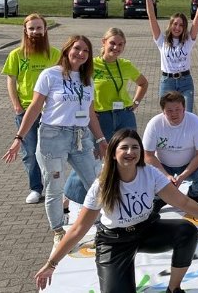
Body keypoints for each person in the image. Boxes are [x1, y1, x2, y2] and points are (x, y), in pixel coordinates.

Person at [33, 129, 198, 293]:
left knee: (187, 232)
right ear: (113, 154)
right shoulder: (102, 185)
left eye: (135, 147)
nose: (130, 152)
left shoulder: (149, 173)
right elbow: (78, 228)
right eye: (124, 148)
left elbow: (183, 202)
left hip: (145, 230)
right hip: (114, 242)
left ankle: (174, 288)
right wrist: (51, 263)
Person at [3, 35, 107, 245]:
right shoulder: (50, 75)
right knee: (54, 186)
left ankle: (101, 224)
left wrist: (101, 139)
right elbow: (34, 108)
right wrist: (19, 138)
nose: (81, 54)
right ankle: (58, 229)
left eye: (86, 51)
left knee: (95, 183)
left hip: (81, 137)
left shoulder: (87, 80)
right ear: (67, 50)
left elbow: (91, 113)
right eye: (77, 49)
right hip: (53, 136)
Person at [63, 27, 150, 205]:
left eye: (120, 45)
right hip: (101, 118)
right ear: (104, 42)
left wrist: (136, 102)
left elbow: (143, 82)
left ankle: (123, 192)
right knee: (92, 157)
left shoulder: (125, 65)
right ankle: (70, 195)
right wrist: (88, 109)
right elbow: (80, 89)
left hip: (124, 115)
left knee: (128, 154)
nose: (116, 48)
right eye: (112, 43)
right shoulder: (91, 65)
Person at [3, 13, 60, 204]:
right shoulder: (16, 55)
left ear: (45, 30)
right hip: (26, 110)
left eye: (39, 28)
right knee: (29, 152)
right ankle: (35, 188)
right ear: (25, 31)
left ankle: (54, 186)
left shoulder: (54, 54)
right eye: (32, 28)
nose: (35, 31)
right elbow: (11, 81)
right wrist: (17, 106)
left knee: (49, 151)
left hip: (50, 111)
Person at [142, 0, 198, 113]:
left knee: (187, 115)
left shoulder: (188, 41)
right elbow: (152, 17)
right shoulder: (161, 40)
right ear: (170, 25)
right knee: (167, 116)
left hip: (186, 82)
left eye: (181, 25)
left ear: (184, 27)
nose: (177, 27)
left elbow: (197, 19)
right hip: (167, 82)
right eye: (175, 24)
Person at [142, 91, 198, 213]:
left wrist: (182, 176)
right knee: (144, 176)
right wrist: (166, 176)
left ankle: (193, 194)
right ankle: (160, 197)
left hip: (188, 164)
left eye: (178, 109)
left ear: (184, 108)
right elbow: (148, 156)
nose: (174, 114)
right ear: (163, 111)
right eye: (169, 110)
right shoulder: (154, 124)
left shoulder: (195, 122)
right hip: (163, 165)